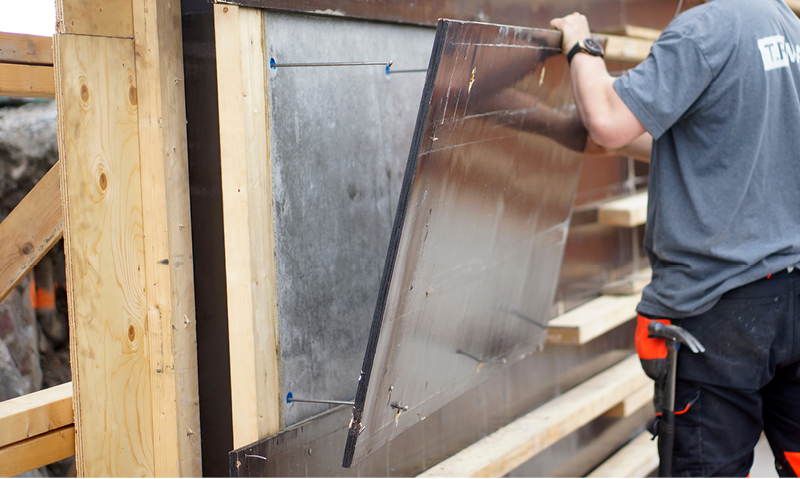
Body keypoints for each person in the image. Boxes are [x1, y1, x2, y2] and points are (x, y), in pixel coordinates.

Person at [551, 1, 800, 476]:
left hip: (718, 312)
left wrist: (582, 44)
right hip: (790, 294)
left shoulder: (705, 29)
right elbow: (723, 140)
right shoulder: (789, 28)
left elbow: (607, 120)